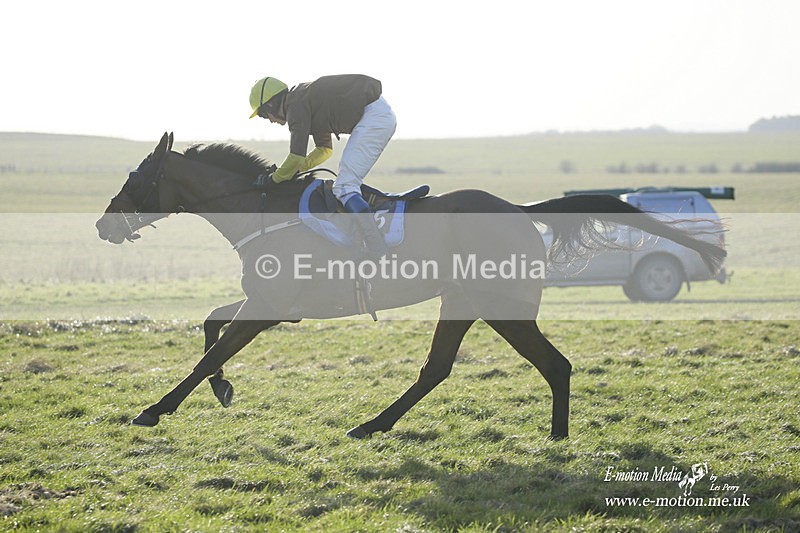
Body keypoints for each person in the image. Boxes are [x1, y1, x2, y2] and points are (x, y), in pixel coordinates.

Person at [248, 74, 396, 257]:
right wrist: (295, 170)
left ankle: (377, 250)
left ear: (271, 104)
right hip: (376, 115)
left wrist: (275, 178)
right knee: (346, 185)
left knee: (344, 186)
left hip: (374, 118)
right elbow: (324, 150)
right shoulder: (301, 99)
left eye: (263, 114)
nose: (269, 120)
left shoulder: (295, 106)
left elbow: (295, 156)